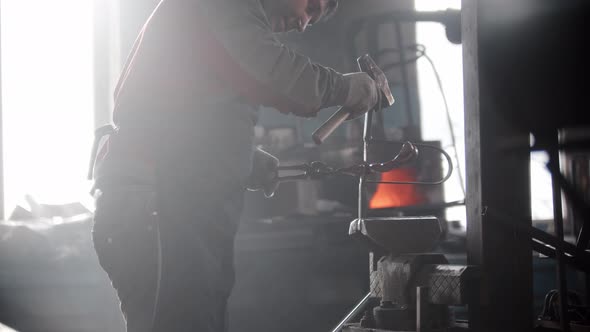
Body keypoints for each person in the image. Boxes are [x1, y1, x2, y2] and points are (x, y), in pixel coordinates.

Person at [89, 0, 379, 331]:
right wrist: (344, 88)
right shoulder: (226, 5)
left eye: (313, 20)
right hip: (156, 200)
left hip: (152, 198)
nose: (303, 23)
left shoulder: (221, 24)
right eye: (310, 6)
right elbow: (270, 71)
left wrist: (241, 157)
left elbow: (183, 110)